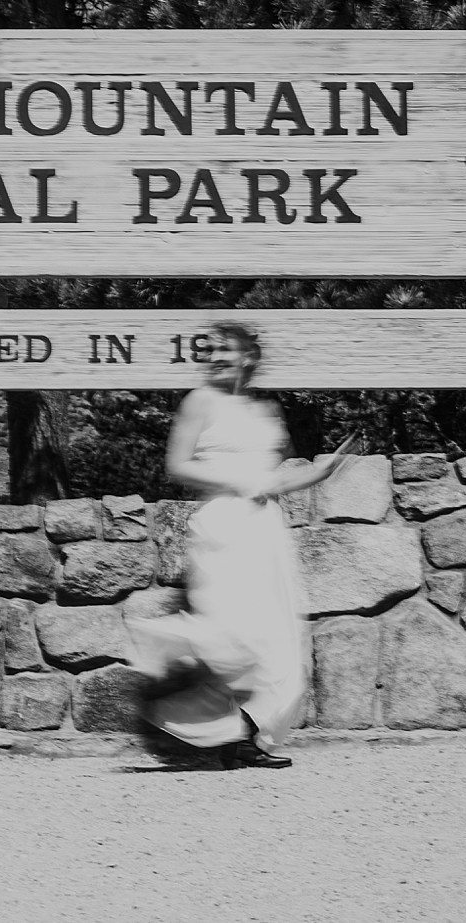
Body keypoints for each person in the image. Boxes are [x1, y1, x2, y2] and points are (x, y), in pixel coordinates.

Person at [129, 321, 358, 769]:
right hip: (223, 524)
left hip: (265, 530)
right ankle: (173, 706)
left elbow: (271, 480)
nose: (213, 356)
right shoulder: (200, 401)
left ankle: (248, 737)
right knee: (234, 632)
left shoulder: (264, 410)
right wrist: (237, 480)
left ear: (248, 357)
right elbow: (177, 465)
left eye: (223, 350)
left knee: (277, 636)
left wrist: (321, 471)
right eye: (209, 349)